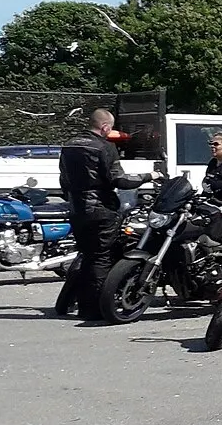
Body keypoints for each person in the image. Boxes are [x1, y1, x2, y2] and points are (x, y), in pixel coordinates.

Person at [57, 108, 152, 319]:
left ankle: (71, 303)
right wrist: (149, 176)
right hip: (101, 209)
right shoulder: (105, 147)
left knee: (86, 254)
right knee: (101, 258)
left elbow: (63, 178)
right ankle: (93, 309)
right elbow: (119, 180)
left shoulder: (70, 145)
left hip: (77, 208)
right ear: (105, 127)